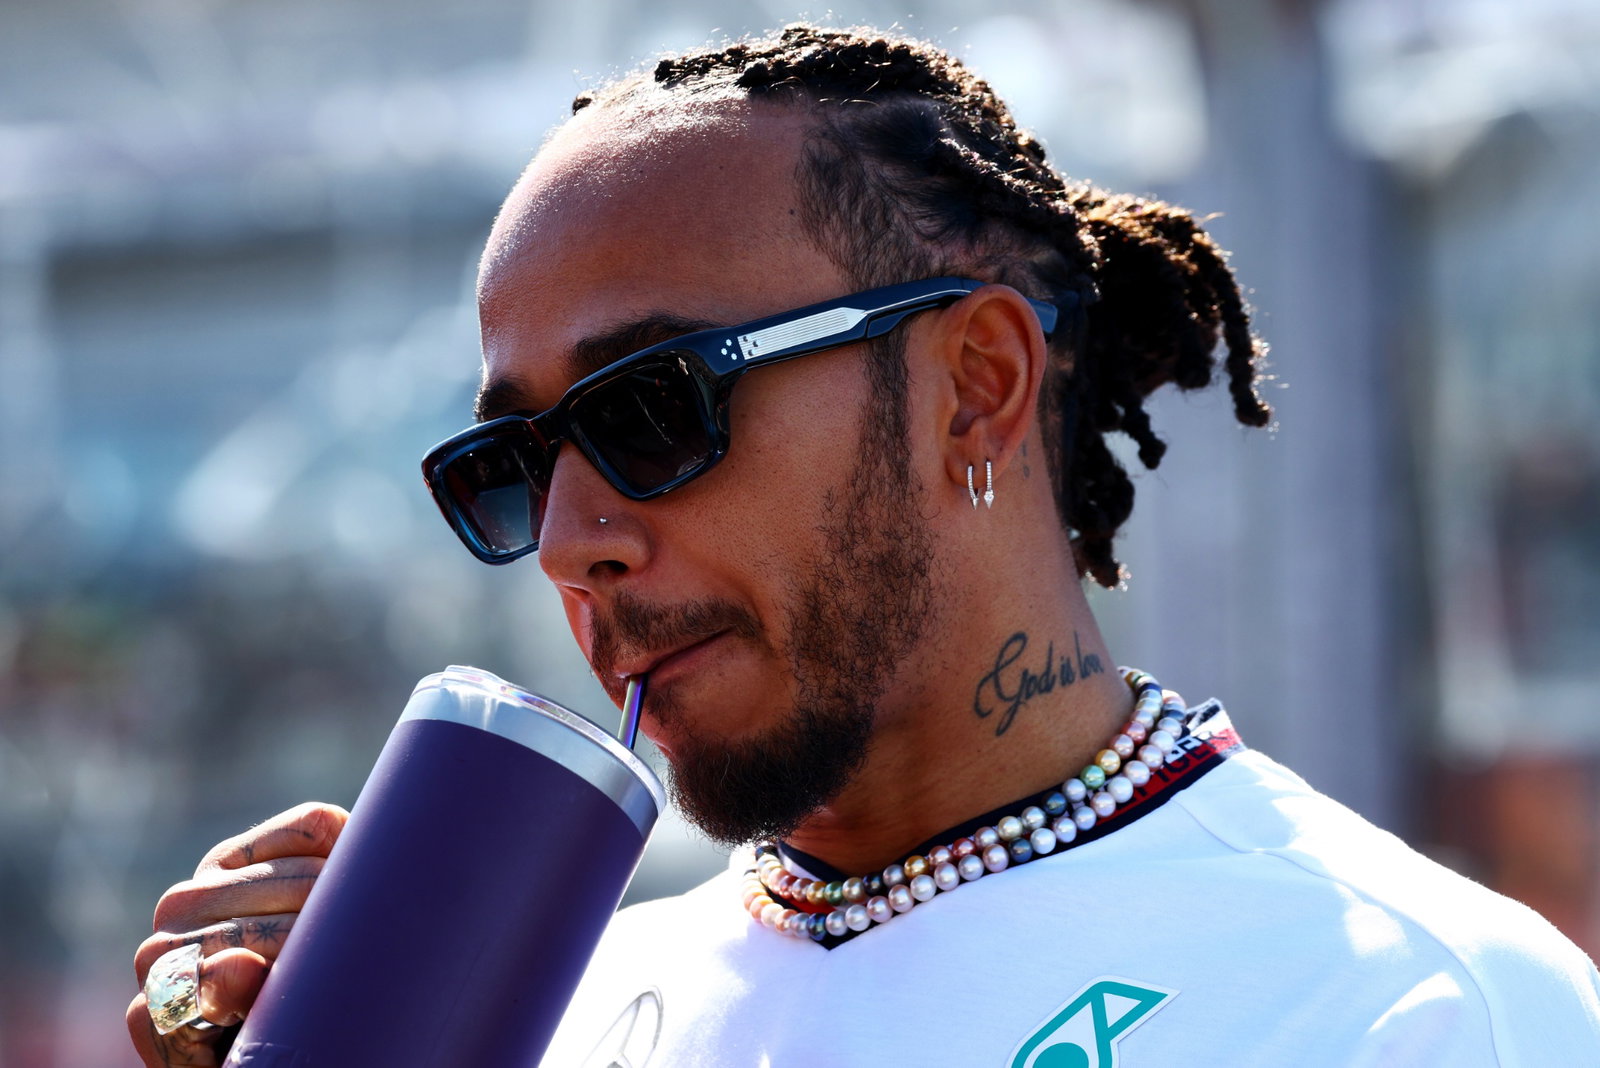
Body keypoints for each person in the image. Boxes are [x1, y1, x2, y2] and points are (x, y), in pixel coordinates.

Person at [129, 24, 1600, 1067]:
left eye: (655, 407)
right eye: (515, 464)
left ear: (977, 387)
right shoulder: (543, 1021)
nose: (575, 543)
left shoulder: (1420, 1011)